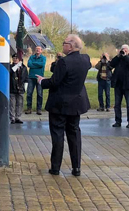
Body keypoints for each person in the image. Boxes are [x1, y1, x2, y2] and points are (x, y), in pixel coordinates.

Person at [36, 34, 90, 177]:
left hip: (59, 104)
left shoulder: (64, 62)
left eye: (64, 43)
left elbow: (54, 82)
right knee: (74, 135)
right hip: (76, 104)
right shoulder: (86, 60)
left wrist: (41, 81)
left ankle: (55, 167)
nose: (63, 45)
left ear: (70, 46)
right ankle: (76, 168)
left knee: (58, 135)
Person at [109, 44, 129, 128]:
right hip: (118, 84)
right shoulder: (119, 58)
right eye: (122, 50)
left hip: (128, 84)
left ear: (128, 51)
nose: (123, 52)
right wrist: (118, 56)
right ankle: (118, 121)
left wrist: (125, 56)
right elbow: (111, 64)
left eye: (125, 50)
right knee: (117, 104)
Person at [26, 46, 46, 115]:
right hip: (31, 77)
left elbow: (42, 64)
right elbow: (29, 64)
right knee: (29, 93)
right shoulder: (31, 57)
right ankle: (29, 108)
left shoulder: (43, 58)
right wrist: (37, 65)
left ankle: (39, 109)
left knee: (40, 94)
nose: (37, 50)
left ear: (41, 50)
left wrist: (33, 64)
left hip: (39, 78)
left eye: (39, 49)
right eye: (36, 49)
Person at [9, 53, 27, 124]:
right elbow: (10, 72)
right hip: (12, 87)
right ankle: (12, 117)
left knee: (19, 103)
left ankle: (18, 117)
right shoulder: (11, 67)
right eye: (14, 58)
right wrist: (16, 66)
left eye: (17, 58)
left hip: (20, 88)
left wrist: (25, 87)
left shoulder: (23, 67)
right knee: (12, 104)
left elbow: (26, 77)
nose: (15, 59)